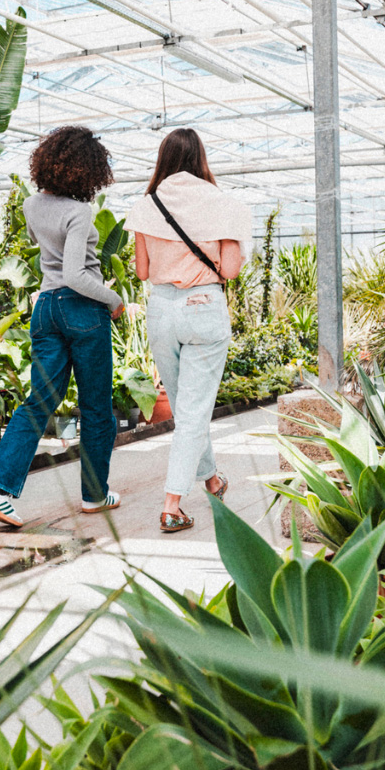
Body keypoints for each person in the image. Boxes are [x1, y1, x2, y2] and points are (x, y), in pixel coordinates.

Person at [0, 125, 124, 528]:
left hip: (45, 307)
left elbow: (47, 256)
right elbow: (76, 274)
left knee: (39, 400)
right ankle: (94, 494)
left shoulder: (30, 206)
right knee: (96, 407)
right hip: (81, 308)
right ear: (85, 170)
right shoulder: (78, 212)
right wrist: (113, 300)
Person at [125, 128, 250, 533]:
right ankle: (172, 505)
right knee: (193, 411)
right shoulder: (222, 203)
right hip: (203, 307)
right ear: (200, 158)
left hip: (161, 310)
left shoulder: (148, 205)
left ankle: (212, 479)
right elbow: (229, 270)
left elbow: (141, 271)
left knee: (186, 408)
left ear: (164, 158)